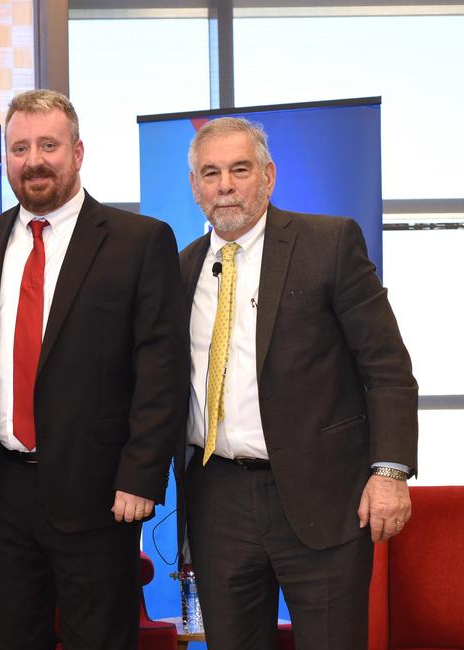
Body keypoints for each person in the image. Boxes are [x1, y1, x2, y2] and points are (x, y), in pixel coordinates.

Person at [0, 89, 189, 650]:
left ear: (78, 152)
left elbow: (162, 367)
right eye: (19, 147)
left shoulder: (139, 241)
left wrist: (141, 476)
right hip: (2, 486)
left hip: (102, 492)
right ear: (5, 158)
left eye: (49, 145)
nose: (34, 159)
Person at [176, 116, 419, 650]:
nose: (225, 186)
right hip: (218, 499)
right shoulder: (181, 268)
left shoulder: (327, 243)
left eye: (240, 169)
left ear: (268, 176)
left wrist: (391, 470)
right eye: (210, 172)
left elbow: (386, 366)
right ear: (194, 186)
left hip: (325, 497)